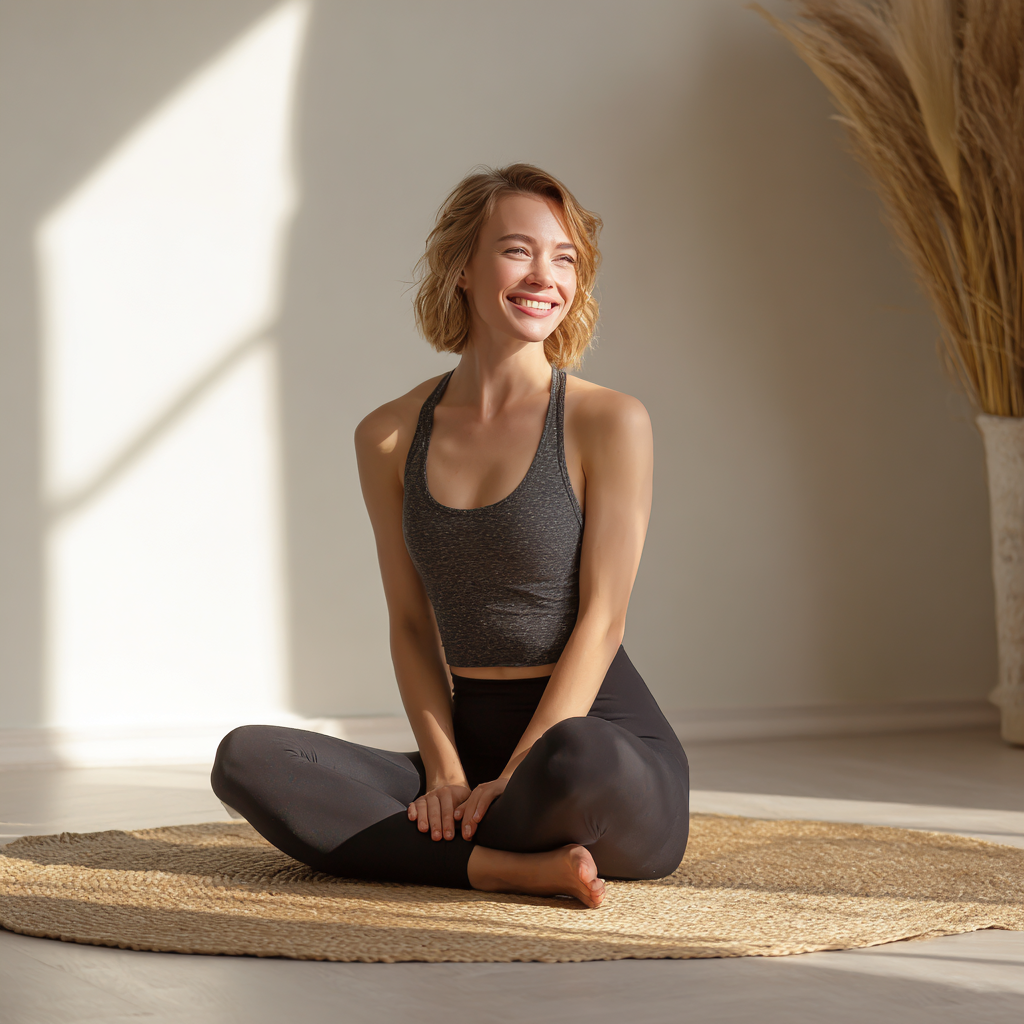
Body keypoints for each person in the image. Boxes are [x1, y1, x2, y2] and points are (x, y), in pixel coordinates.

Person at [211, 164, 689, 908]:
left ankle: (442, 848)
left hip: (592, 746)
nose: (545, 276)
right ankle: (511, 867)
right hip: (470, 746)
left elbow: (604, 618)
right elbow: (409, 622)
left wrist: (518, 772)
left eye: (565, 258)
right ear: (463, 266)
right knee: (247, 759)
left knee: (576, 755)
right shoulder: (390, 434)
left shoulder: (607, 420)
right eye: (518, 250)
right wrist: (445, 773)